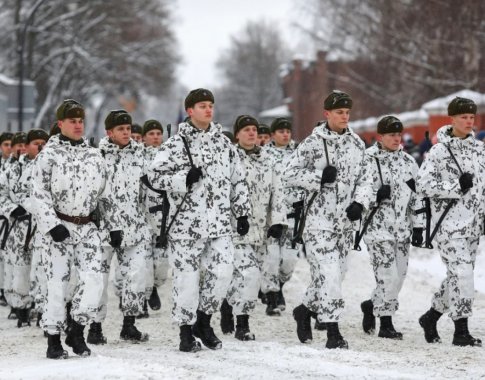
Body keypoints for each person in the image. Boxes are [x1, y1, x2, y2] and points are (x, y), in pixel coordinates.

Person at [147, 88, 250, 352]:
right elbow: (153, 177)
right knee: (187, 281)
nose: (208, 110)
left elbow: (238, 180)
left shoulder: (224, 144)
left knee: (223, 274)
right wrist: (182, 180)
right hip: (185, 227)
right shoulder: (174, 145)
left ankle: (203, 321)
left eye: (211, 105)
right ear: (190, 111)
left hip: (218, 224)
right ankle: (185, 331)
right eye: (202, 105)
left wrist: (242, 212)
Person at [30, 99, 121, 359]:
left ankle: (77, 329)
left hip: (88, 228)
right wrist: (52, 225)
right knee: (57, 286)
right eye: (72, 121)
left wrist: (113, 226)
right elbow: (39, 195)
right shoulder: (48, 155)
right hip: (58, 229)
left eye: (81, 121)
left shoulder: (94, 155)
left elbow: (106, 196)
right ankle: (53, 339)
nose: (78, 125)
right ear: (61, 124)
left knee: (94, 281)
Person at [285, 91, 368, 349]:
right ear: (327, 114)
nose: (344, 116)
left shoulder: (357, 144)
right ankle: (333, 331)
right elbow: (289, 173)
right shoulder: (312, 143)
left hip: (345, 223)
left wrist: (360, 203)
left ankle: (305, 308)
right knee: (329, 274)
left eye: (347, 112)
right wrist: (319, 178)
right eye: (339, 112)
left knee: (335, 274)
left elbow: (366, 179)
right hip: (318, 221)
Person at [416, 97, 483, 347]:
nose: (468, 121)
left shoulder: (479, 150)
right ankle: (461, 331)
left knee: (458, 276)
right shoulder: (439, 151)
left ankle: (431, 317)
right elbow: (422, 185)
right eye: (463, 117)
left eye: (471, 117)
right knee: (463, 275)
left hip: (473, 226)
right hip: (448, 225)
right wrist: (455, 186)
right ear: (452, 119)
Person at [354, 116, 424, 340]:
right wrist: (376, 196)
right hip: (377, 229)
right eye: (391, 135)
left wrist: (419, 227)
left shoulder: (408, 162)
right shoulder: (366, 160)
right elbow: (356, 193)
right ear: (380, 136)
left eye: (398, 134)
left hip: (402, 229)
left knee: (399, 277)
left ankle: (370, 305)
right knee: (388, 277)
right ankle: (386, 322)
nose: (396, 138)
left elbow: (417, 197)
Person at [221, 115, 287, 340]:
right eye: (246, 130)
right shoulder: (228, 159)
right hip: (234, 229)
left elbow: (278, 193)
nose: (251, 133)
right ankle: (243, 324)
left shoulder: (268, 161)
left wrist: (278, 221)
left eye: (254, 130)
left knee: (249, 277)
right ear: (237, 134)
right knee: (247, 275)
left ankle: (228, 304)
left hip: (261, 230)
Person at [91, 110, 151, 344]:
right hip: (103, 231)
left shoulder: (141, 155)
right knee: (99, 280)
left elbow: (149, 191)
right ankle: (95, 327)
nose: (126, 133)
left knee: (136, 277)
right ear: (109, 132)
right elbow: (93, 195)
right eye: (120, 129)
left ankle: (129, 324)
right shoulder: (97, 157)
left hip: (135, 227)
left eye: (128, 128)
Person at [0, 129, 48, 327]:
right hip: (18, 227)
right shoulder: (12, 170)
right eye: (36, 143)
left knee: (43, 269)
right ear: (26, 146)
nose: (40, 146)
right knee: (20, 269)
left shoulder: (50, 168)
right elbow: (1, 194)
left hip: (43, 227)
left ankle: (42, 309)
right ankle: (21, 308)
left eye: (44, 142)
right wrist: (12, 209)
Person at [262, 118, 304, 316]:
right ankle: (271, 296)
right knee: (271, 259)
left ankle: (279, 284)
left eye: (288, 131)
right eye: (281, 131)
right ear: (273, 134)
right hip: (272, 217)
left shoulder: (300, 154)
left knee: (289, 260)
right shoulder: (264, 155)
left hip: (294, 216)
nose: (285, 134)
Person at [139, 119, 165, 317]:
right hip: (144, 217)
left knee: (162, 263)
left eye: (158, 133)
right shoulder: (139, 157)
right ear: (145, 137)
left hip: (165, 218)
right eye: (152, 134)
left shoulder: (169, 157)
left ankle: (155, 286)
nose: (156, 137)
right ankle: (143, 296)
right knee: (144, 261)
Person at [0, 131, 14, 307]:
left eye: (12, 145)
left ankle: (7, 290)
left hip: (11, 219)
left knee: (8, 256)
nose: (9, 148)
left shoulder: (17, 166)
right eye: (6, 145)